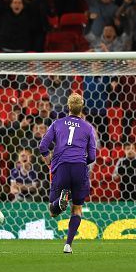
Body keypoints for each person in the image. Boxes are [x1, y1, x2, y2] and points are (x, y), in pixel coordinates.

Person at [39, 93, 97, 254]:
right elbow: (92, 156)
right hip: (79, 167)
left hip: (61, 167)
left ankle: (61, 200)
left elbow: (43, 146)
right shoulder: (88, 127)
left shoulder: (57, 123)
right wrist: (79, 162)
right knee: (77, 208)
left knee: (52, 211)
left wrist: (50, 161)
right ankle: (68, 245)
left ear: (68, 107)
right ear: (81, 108)